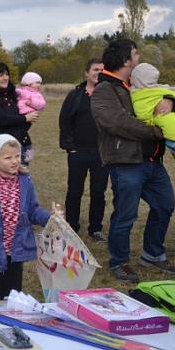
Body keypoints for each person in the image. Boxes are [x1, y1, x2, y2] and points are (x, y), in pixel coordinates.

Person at [91, 39, 175, 283]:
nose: (138, 57)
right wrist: (157, 130)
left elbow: (166, 101)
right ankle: (119, 261)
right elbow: (118, 123)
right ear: (126, 59)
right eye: (135, 53)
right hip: (126, 163)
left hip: (152, 161)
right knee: (126, 215)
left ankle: (152, 253)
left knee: (165, 205)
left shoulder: (135, 85)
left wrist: (168, 101)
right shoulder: (104, 89)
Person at [0, 135, 52, 305]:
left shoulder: (25, 181)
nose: (14, 161)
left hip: (16, 251)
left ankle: (9, 328)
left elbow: (33, 210)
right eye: (8, 157)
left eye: (17, 156)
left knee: (12, 297)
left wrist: (51, 218)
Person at [59, 58, 109, 242]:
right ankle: (72, 226)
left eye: (102, 70)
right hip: (78, 152)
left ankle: (95, 228)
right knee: (74, 191)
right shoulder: (75, 95)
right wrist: (70, 147)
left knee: (98, 192)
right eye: (95, 69)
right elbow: (64, 121)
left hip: (101, 152)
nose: (98, 73)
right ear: (86, 73)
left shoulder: (109, 95)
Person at [130, 63, 175, 170]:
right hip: (139, 154)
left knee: (172, 120)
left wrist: (171, 100)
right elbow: (142, 112)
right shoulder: (131, 93)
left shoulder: (156, 90)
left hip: (155, 155)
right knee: (171, 121)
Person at [0, 62, 39, 153]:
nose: (5, 78)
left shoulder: (12, 94)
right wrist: (25, 118)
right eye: (1, 75)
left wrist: (31, 110)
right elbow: (2, 119)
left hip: (21, 142)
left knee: (23, 167)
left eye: (6, 74)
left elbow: (22, 116)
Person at [15, 71, 46, 164]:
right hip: (18, 115)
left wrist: (31, 103)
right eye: (36, 82)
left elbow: (41, 105)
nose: (39, 85)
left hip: (28, 116)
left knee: (22, 133)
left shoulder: (37, 94)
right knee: (20, 135)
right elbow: (15, 92)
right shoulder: (22, 91)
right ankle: (25, 151)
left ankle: (27, 152)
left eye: (39, 83)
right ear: (28, 83)